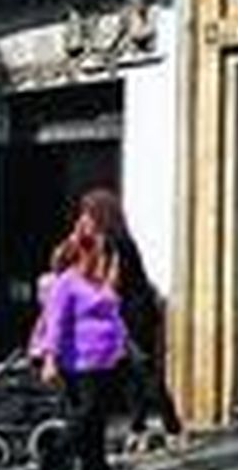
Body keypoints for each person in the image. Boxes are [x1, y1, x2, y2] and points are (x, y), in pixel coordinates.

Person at [76, 189, 184, 454]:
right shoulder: (105, 242)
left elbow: (113, 284)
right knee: (130, 374)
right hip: (122, 314)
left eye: (88, 213)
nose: (84, 218)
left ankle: (173, 428)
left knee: (145, 371)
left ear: (101, 215)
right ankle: (139, 427)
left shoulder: (118, 243)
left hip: (135, 316)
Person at [39, 205, 128, 470]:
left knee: (95, 424)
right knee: (86, 416)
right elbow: (55, 322)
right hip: (78, 362)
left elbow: (113, 316)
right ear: (82, 254)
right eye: (97, 253)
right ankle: (53, 461)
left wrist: (121, 345)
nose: (101, 258)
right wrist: (50, 359)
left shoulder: (100, 283)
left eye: (103, 253)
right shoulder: (67, 283)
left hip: (105, 361)